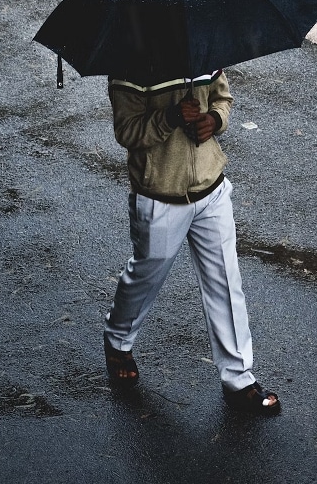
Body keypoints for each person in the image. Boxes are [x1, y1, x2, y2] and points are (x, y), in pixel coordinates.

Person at [103, 69, 280, 415]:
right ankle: (118, 339)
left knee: (226, 282)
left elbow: (222, 97)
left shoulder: (202, 49)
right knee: (147, 274)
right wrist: (169, 117)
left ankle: (238, 378)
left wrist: (215, 120)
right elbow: (127, 131)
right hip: (160, 195)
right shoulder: (129, 63)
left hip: (211, 188)